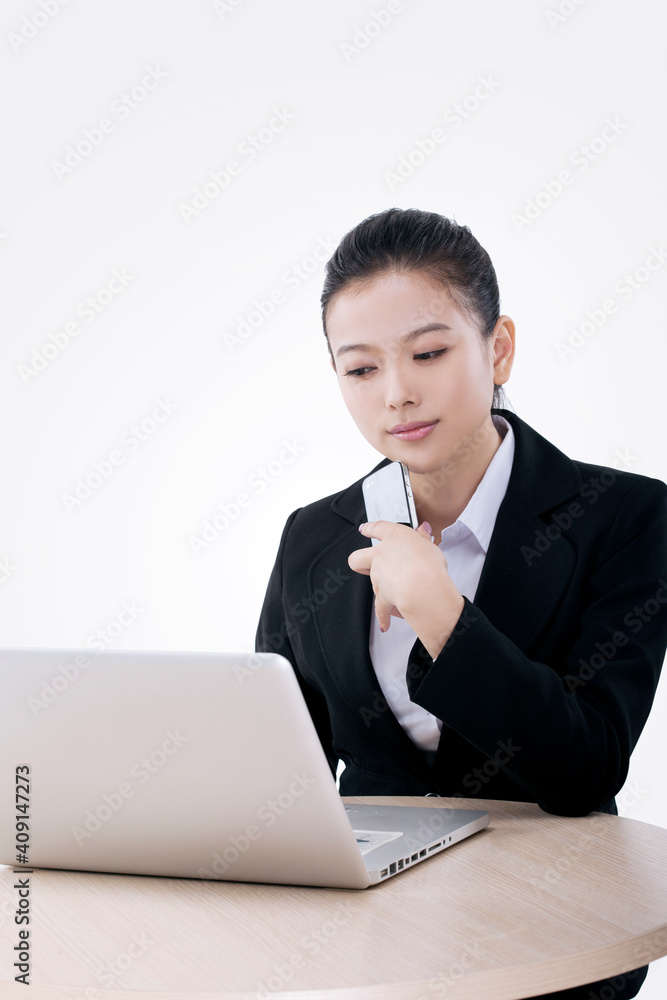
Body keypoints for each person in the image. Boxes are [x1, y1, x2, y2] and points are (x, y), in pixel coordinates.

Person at [255, 207, 667, 1000]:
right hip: (370, 941)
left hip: (554, 937)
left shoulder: (625, 516)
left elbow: (586, 767)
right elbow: (284, 769)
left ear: (498, 347)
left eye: (430, 353)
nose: (397, 394)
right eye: (361, 369)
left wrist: (442, 615)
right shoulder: (314, 535)